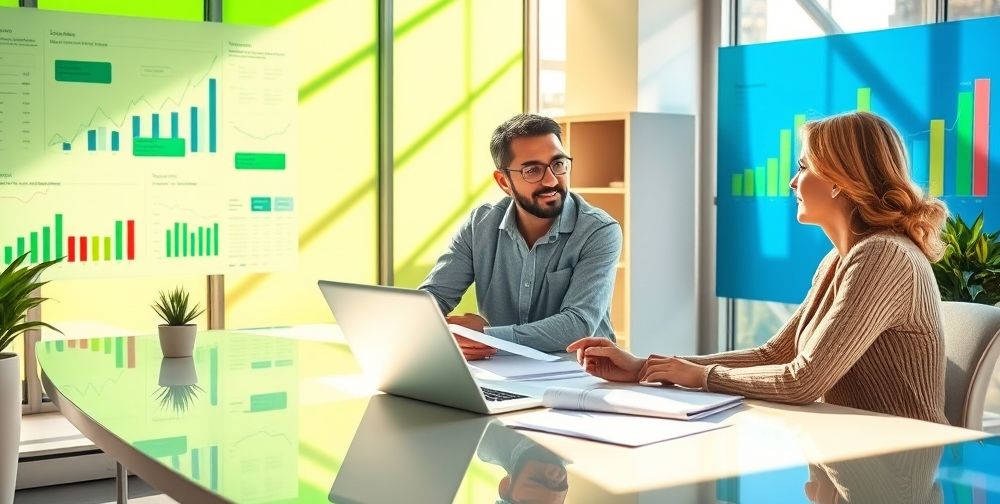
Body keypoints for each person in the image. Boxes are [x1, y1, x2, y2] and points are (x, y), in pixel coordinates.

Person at [568, 111, 950, 424]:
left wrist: (700, 376)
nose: (792, 181)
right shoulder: (840, 259)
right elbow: (774, 355)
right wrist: (645, 368)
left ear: (838, 180)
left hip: (904, 465)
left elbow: (804, 381)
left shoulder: (884, 257)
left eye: (804, 167)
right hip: (854, 450)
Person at [419, 113, 622, 360]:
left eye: (558, 164)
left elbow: (577, 325)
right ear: (504, 181)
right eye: (532, 170)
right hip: (501, 369)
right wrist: (438, 330)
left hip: (578, 375)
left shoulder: (599, 231)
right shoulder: (479, 226)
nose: (551, 180)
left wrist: (485, 335)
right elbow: (433, 299)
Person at [477, 422, 570, 504]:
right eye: (559, 486)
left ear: (505, 487)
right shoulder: (576, 450)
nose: (556, 475)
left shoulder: (486, 440)